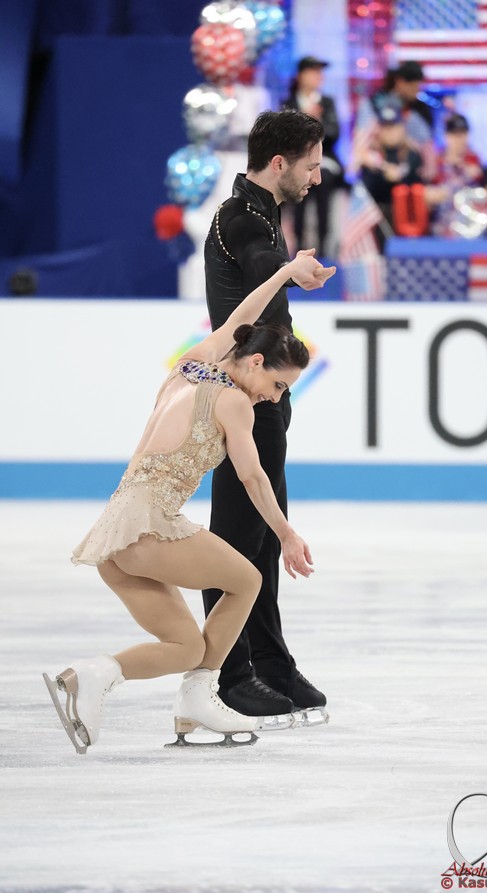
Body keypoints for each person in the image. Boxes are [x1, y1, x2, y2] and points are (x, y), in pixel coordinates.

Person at [43, 250, 335, 754]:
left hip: (114, 533)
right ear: (257, 362)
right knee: (248, 579)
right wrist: (286, 534)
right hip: (150, 526)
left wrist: (286, 274)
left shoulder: (190, 367)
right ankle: (200, 695)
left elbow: (242, 317)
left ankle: (94, 675)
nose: (275, 397)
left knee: (187, 647)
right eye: (278, 385)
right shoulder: (235, 402)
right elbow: (252, 477)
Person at [203, 109, 331, 725]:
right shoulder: (241, 218)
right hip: (241, 394)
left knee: (261, 533)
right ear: (279, 163)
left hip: (265, 393)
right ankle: (228, 675)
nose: (317, 176)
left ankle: (270, 664)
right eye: (311, 165)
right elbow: (258, 264)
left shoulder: (261, 211)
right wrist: (287, 270)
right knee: (236, 536)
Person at [281, 56, 344, 256]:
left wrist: (316, 123)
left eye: (320, 72)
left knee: (323, 179)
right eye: (313, 72)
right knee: (298, 182)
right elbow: (282, 137)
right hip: (296, 160)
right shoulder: (288, 103)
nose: (319, 76)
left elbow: (334, 134)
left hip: (324, 159)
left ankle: (324, 246)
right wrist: (304, 120)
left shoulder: (327, 103)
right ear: (301, 76)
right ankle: (299, 245)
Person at [358, 104, 423, 229]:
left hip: (411, 217)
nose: (390, 132)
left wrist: (398, 176)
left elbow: (417, 183)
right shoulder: (371, 156)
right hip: (379, 219)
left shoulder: (412, 154)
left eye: (394, 126)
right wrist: (384, 172)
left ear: (402, 128)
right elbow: (368, 190)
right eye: (386, 127)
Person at [426, 113, 485, 238]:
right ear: (446, 136)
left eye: (462, 134)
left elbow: (484, 195)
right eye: (454, 134)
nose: (459, 139)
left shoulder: (474, 161)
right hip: (440, 225)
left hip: (469, 226)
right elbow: (427, 192)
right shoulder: (437, 161)